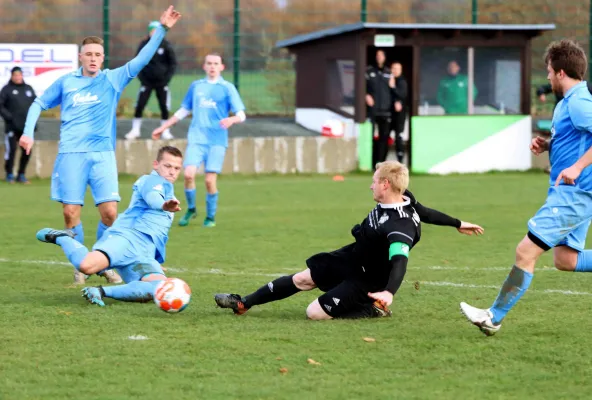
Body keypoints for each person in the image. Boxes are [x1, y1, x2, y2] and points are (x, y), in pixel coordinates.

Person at [19, 6, 181, 285]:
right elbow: (38, 103)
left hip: (102, 155)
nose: (93, 58)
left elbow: (142, 59)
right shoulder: (67, 82)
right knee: (70, 214)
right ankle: (80, 266)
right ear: (80, 57)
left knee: (109, 213)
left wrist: (162, 30)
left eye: (98, 54)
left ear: (102, 58)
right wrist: (27, 132)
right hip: (71, 155)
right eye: (89, 54)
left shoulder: (112, 79)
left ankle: (102, 260)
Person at [215, 161, 484, 319]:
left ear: (386, 185)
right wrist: (458, 223)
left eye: (374, 181)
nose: (370, 185)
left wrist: (388, 292)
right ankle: (243, 303)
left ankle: (370, 308)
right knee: (302, 278)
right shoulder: (406, 198)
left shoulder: (399, 227)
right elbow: (425, 212)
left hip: (369, 279)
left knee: (314, 313)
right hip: (353, 256)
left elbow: (400, 261)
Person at [460, 39, 592, 336]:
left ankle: (493, 316)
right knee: (566, 260)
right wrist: (548, 145)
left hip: (575, 193)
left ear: (560, 72)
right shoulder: (569, 103)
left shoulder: (580, 102)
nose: (546, 77)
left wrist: (577, 167)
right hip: (572, 193)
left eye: (548, 71)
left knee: (525, 250)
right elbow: (579, 139)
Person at [35, 146, 183, 306]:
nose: (172, 172)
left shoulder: (169, 193)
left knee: (159, 288)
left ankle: (100, 291)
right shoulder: (152, 181)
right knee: (86, 266)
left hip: (144, 252)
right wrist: (163, 205)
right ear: (156, 164)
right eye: (168, 166)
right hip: (126, 239)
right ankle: (63, 238)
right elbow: (153, 197)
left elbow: (155, 229)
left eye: (176, 168)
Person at [152, 53, 246, 228]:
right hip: (196, 138)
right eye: (209, 63)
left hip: (217, 140)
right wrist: (163, 127)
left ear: (221, 67)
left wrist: (232, 119)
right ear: (204, 66)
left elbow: (241, 114)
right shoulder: (196, 86)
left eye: (215, 63)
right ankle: (191, 209)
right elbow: (183, 110)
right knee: (188, 175)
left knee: (210, 181)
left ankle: (210, 217)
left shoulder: (227, 88)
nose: (212, 66)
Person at [125, 20, 177, 141]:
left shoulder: (166, 45)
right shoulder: (143, 44)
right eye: (152, 31)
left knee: (164, 106)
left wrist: (166, 79)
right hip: (146, 82)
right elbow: (137, 62)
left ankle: (165, 131)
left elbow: (173, 63)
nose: (154, 33)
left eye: (156, 31)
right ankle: (135, 130)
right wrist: (142, 78)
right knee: (140, 105)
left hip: (162, 82)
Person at [0, 67, 36, 184]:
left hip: (26, 128)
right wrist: (9, 117)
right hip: (12, 127)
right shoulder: (6, 89)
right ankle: (9, 174)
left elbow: (35, 105)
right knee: (11, 150)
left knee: (27, 150)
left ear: (22, 75)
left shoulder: (28, 89)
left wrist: (33, 122)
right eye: (15, 75)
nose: (17, 77)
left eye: (19, 75)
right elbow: (1, 106)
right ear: (12, 76)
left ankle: (21, 174)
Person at [366, 50, 392, 167]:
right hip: (372, 111)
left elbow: (394, 90)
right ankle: (371, 163)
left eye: (381, 55)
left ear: (385, 57)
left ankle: (382, 164)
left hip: (386, 111)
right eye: (377, 55)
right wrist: (365, 95)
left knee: (384, 138)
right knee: (370, 138)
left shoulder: (389, 72)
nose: (379, 57)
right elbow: (361, 86)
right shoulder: (369, 71)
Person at [389, 62, 408, 163]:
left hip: (399, 115)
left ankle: (400, 160)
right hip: (387, 113)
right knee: (384, 137)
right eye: (393, 68)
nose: (395, 70)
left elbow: (402, 95)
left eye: (397, 68)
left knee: (399, 136)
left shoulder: (402, 82)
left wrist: (392, 87)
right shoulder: (387, 80)